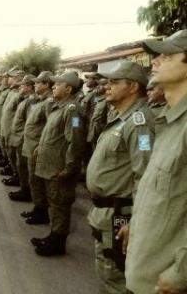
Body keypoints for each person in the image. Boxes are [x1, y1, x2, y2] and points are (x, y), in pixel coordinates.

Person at [121, 30, 187, 294]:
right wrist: (135, 225)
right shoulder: (169, 121)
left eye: (167, 55)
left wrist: (181, 273)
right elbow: (162, 191)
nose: (156, 61)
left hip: (165, 283)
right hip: (144, 271)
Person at [85, 61, 154, 294]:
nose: (107, 87)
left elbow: (144, 174)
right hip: (106, 213)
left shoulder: (139, 123)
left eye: (114, 82)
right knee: (108, 273)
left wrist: (135, 220)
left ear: (133, 87)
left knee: (116, 279)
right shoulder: (122, 117)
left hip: (120, 214)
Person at [32, 71, 85, 257]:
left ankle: (58, 243)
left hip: (60, 168)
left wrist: (69, 168)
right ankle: (53, 236)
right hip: (50, 166)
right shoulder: (58, 107)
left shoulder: (73, 110)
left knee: (60, 206)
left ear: (68, 88)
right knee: (54, 205)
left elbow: (76, 141)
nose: (53, 86)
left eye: (58, 84)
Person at [20, 71, 54, 225]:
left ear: (47, 84)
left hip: (37, 148)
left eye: (39, 82)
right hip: (31, 146)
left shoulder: (48, 103)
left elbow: (49, 127)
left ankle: (41, 212)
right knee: (34, 181)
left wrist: (40, 146)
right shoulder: (40, 100)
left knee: (37, 182)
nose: (35, 84)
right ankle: (38, 208)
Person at [7, 74, 35, 201]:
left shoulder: (31, 101)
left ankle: (26, 191)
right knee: (21, 165)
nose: (20, 87)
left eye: (23, 85)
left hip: (23, 138)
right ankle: (23, 187)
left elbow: (30, 122)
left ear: (29, 87)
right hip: (18, 136)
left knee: (23, 166)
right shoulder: (25, 99)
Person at [0, 70, 26, 183]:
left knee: (19, 159)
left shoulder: (73, 110)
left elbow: (75, 129)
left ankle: (20, 180)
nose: (9, 80)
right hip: (10, 127)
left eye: (12, 78)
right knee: (12, 154)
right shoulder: (14, 92)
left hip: (17, 131)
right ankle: (15, 173)